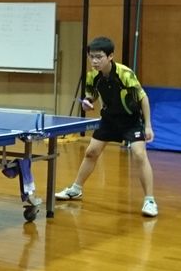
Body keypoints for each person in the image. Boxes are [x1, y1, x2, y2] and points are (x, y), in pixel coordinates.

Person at [54, 36, 158, 218]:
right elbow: (91, 96)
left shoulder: (125, 74)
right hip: (109, 119)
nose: (94, 61)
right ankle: (76, 189)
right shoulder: (92, 76)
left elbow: (143, 98)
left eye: (99, 57)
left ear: (110, 56)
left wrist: (148, 126)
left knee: (139, 155)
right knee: (91, 152)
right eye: (91, 57)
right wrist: (87, 103)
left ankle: (150, 200)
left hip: (131, 120)